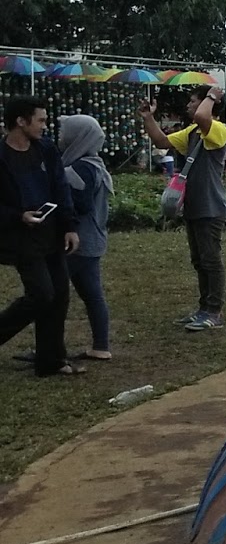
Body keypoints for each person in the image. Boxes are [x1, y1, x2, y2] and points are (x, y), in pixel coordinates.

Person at [0, 97, 83, 377]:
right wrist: (17, 215)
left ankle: (51, 360)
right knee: (41, 294)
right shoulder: (2, 156)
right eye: (41, 120)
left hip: (52, 232)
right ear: (20, 122)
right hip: (21, 236)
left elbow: (61, 186)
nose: (45, 126)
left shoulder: (45, 150)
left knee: (59, 294)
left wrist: (69, 226)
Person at [140, 86, 226, 331]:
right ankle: (203, 309)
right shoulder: (192, 132)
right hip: (194, 206)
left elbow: (203, 117)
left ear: (207, 104)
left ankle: (214, 312)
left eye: (193, 101)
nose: (189, 106)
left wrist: (212, 95)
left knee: (211, 260)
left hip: (211, 206)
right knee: (199, 260)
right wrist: (149, 118)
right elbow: (162, 141)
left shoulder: (218, 130)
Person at [59, 115, 113, 361]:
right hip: (92, 240)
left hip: (78, 242)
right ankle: (100, 346)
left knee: (51, 293)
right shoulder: (94, 164)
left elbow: (80, 204)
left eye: (64, 133)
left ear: (77, 136)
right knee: (92, 294)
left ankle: (50, 349)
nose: (61, 137)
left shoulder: (81, 168)